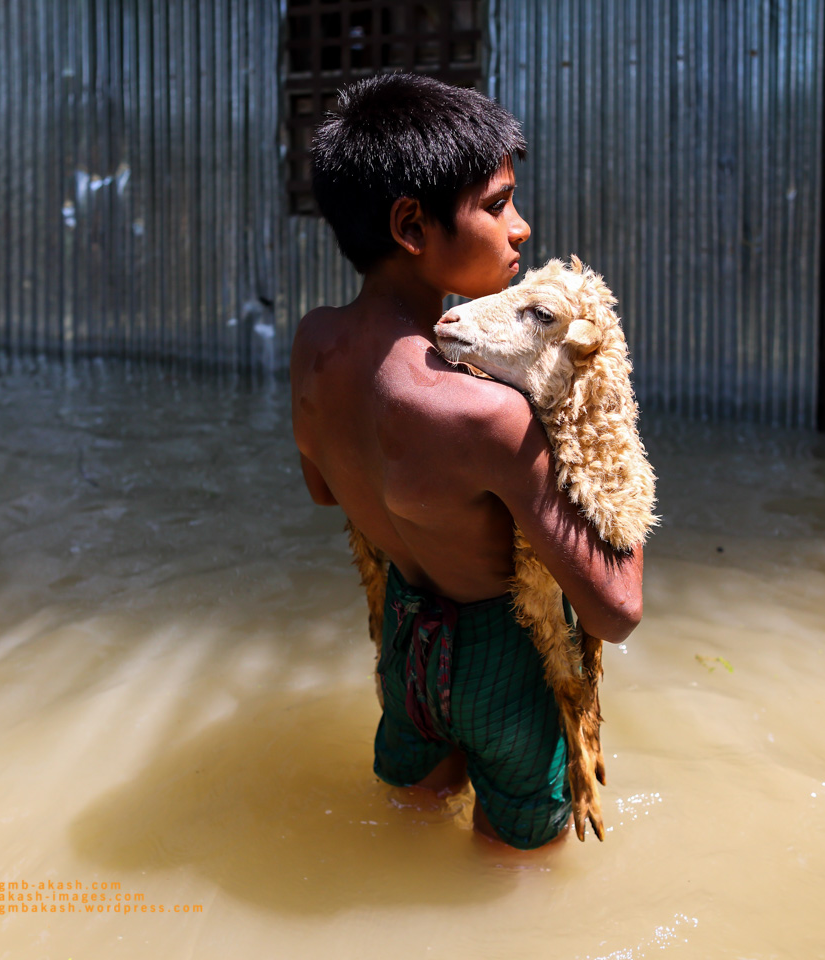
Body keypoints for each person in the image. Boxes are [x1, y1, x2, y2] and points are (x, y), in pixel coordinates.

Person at [290, 73, 643, 850]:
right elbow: (616, 612)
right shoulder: (487, 413)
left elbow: (324, 492)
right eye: (496, 204)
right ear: (412, 226)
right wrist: (601, 416)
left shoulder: (314, 345)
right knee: (515, 875)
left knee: (403, 825)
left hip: (406, 650)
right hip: (501, 668)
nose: (520, 229)